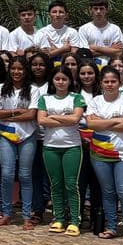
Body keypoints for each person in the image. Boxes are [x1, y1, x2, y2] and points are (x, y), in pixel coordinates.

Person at [84, 66, 123, 239]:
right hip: (100, 153)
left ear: (119, 82)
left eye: (113, 81)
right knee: (107, 192)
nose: (109, 85)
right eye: (106, 81)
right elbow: (91, 124)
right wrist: (117, 120)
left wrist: (104, 122)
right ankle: (111, 226)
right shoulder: (95, 101)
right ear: (100, 83)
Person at [0, 55, 39, 229]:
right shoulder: (1, 88)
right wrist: (17, 112)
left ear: (25, 71)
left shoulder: (32, 90)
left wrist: (7, 113)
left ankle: (26, 216)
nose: (17, 72)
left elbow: (32, 115)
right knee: (7, 174)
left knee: (25, 175)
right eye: (14, 68)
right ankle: (7, 213)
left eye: (20, 69)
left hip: (27, 135)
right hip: (6, 136)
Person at [37, 64, 85, 235]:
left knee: (71, 184)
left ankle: (74, 220)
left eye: (64, 79)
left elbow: (76, 119)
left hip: (71, 147)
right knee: (55, 184)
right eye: (57, 79)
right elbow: (42, 121)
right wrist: (66, 118)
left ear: (70, 81)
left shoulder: (76, 98)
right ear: (52, 80)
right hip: (50, 147)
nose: (61, 82)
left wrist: (54, 117)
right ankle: (58, 218)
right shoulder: (45, 99)